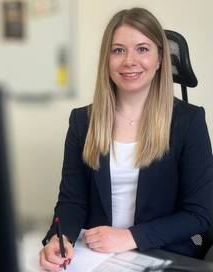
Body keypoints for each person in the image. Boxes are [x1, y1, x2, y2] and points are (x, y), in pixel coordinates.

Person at [40, 7, 213, 271]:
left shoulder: (188, 122)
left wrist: (130, 237)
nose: (129, 61)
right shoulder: (82, 121)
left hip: (161, 253)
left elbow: (199, 214)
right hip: (98, 255)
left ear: (160, 60)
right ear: (106, 60)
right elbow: (72, 201)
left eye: (142, 49)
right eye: (118, 50)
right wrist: (59, 238)